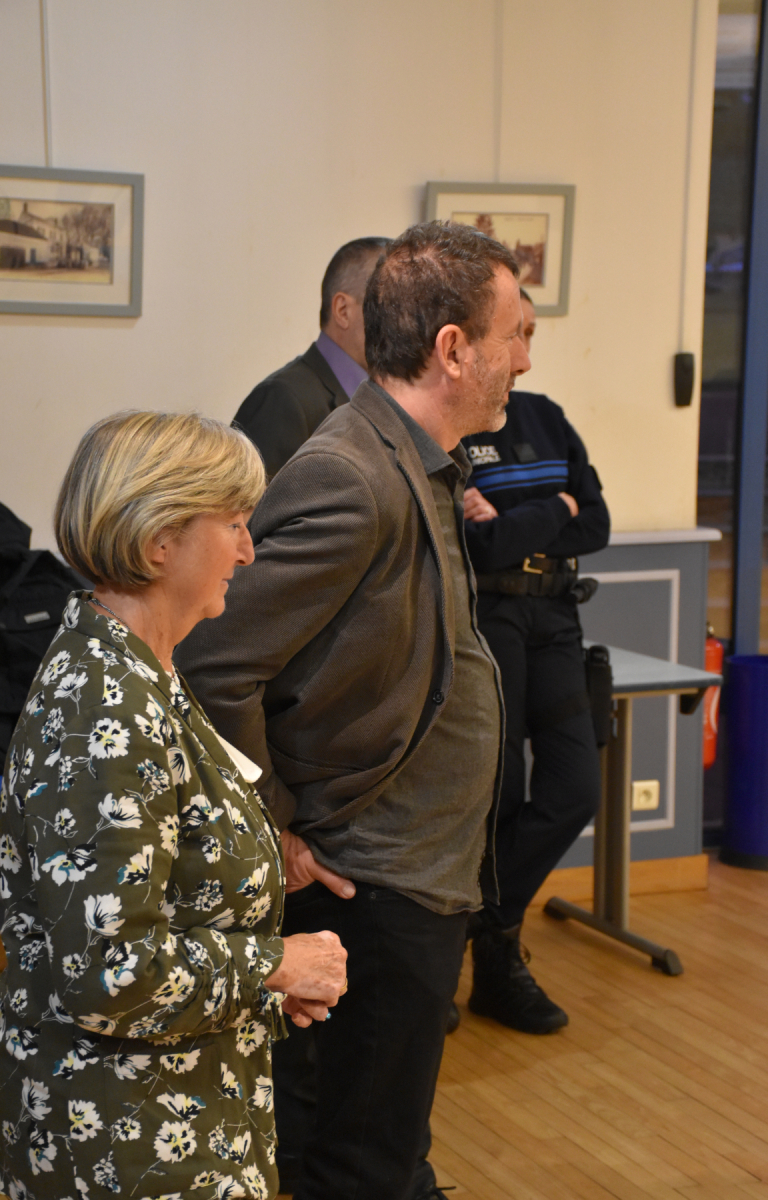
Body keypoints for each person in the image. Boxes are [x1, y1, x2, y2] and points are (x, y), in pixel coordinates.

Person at [176, 221, 530, 1200]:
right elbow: (212, 661)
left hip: (414, 873)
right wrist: (276, 830)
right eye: (516, 334)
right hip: (370, 879)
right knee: (359, 1161)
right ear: (453, 348)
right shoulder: (350, 471)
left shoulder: (415, 457)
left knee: (385, 1147)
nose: (524, 360)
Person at [0, 411, 347, 1200]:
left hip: (177, 1113)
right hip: (127, 1147)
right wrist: (275, 963)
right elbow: (108, 971)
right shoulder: (107, 708)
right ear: (161, 541)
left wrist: (262, 987)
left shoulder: (139, 669)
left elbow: (165, 892)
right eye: (234, 523)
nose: (248, 550)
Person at [461, 289, 610, 1034]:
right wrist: (558, 509)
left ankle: (476, 923)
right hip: (491, 619)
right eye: (512, 334)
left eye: (529, 333)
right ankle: (497, 966)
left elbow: (599, 523)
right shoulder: (456, 429)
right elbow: (483, 547)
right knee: (503, 796)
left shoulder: (548, 416)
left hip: (555, 618)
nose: (524, 352)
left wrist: (521, 522)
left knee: (576, 788)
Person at [233, 236, 390, 476]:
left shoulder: (384, 396)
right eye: (390, 307)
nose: (404, 323)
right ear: (343, 311)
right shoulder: (282, 400)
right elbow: (251, 499)